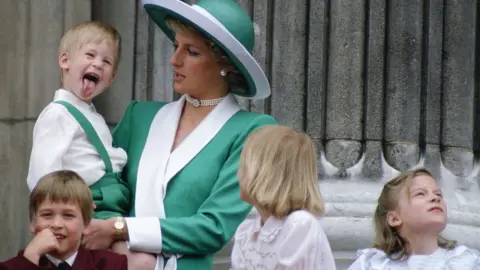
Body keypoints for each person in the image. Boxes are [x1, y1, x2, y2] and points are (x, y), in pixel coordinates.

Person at [81, 0, 277, 269]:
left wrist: (121, 229)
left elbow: (214, 227)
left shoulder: (253, 131)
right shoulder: (139, 116)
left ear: (226, 64)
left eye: (192, 52)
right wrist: (121, 250)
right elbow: (105, 192)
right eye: (176, 47)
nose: (175, 60)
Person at [26, 21, 130, 220]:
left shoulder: (93, 116)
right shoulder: (58, 114)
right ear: (65, 61)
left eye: (106, 62)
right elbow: (42, 173)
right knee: (129, 250)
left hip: (110, 201)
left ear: (112, 78)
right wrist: (62, 211)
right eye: (90, 55)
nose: (98, 63)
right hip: (86, 205)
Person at [230, 126, 336, 269]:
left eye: (244, 166)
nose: (238, 172)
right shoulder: (247, 233)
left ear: (264, 174)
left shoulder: (300, 225)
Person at [348, 168, 480, 270]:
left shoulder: (465, 262)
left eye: (438, 193)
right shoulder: (371, 264)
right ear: (394, 218)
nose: (436, 198)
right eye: (420, 194)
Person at [0, 170, 128, 270]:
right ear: (33, 222)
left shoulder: (111, 264)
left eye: (68, 215)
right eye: (47, 215)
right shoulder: (10, 267)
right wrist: (30, 259)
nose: (56, 224)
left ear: (86, 224)